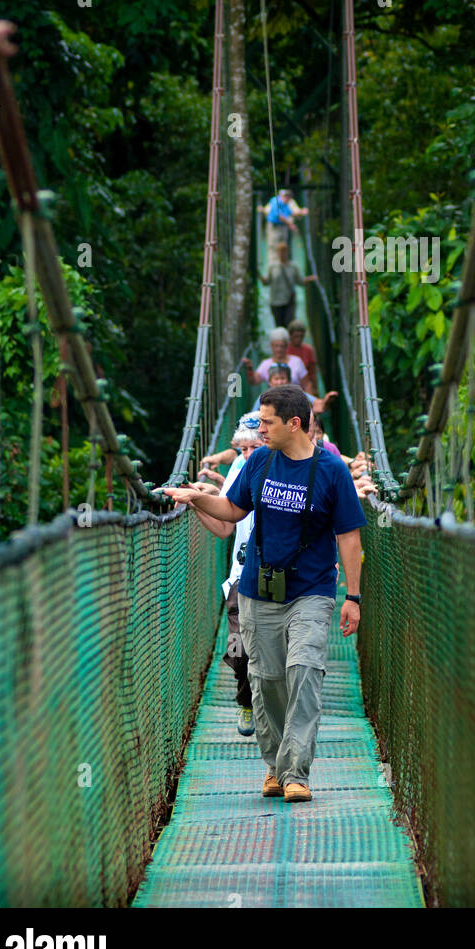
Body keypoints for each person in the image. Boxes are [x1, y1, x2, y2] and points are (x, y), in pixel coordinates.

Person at [162, 384, 365, 804]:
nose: (259, 428)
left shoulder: (332, 470)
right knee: (267, 681)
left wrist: (354, 597)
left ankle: (296, 773)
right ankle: (275, 766)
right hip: (258, 590)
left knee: (305, 672)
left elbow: (348, 535)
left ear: (294, 423)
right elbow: (232, 511)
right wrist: (196, 497)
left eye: (267, 421)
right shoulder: (257, 463)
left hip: (312, 590)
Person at [191, 413, 264, 736]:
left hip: (277, 573)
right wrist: (195, 501)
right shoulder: (237, 468)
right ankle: (247, 702)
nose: (247, 455)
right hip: (240, 576)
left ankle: (273, 714)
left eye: (254, 447)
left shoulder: (283, 470)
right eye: (242, 448)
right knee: (240, 650)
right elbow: (223, 528)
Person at [260, 242, 316, 329]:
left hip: (289, 300)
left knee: (289, 324)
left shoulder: (293, 267)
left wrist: (310, 279)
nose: (282, 254)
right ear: (277, 253)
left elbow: (300, 281)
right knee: (279, 325)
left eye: (284, 252)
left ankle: (288, 341)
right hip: (275, 301)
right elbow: (267, 282)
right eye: (280, 252)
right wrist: (260, 278)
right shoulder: (272, 267)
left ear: (287, 252)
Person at [243, 327, 310, 391]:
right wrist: (250, 369)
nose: (279, 349)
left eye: (281, 346)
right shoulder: (266, 364)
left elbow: (307, 385)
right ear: (271, 346)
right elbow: (254, 381)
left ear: (286, 346)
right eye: (276, 346)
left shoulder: (296, 361)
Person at [257, 188, 309, 263]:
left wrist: (301, 212)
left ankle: (282, 264)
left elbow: (290, 213)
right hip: (274, 227)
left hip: (283, 227)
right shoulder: (275, 201)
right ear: (281, 196)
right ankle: (273, 265)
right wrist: (290, 224)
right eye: (285, 196)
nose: (287, 198)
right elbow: (278, 215)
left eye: (288, 196)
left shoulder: (286, 204)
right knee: (273, 246)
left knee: (283, 247)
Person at [287, 319, 319, 393]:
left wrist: (315, 389)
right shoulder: (285, 350)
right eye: (296, 336)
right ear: (290, 335)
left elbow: (312, 372)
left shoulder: (308, 350)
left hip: (305, 388)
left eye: (301, 336)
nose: (299, 339)